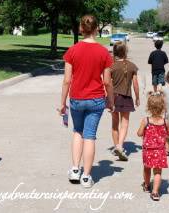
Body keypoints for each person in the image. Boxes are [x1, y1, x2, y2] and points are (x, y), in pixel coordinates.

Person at [59, 15, 114, 188]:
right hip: (96, 99)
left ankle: (75, 170)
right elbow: (107, 81)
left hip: (76, 98)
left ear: (81, 29)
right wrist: (110, 100)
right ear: (97, 29)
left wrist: (62, 103)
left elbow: (67, 80)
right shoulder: (104, 52)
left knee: (78, 132)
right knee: (90, 136)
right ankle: (86, 177)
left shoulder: (72, 51)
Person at [137, 91, 169, 201]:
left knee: (147, 168)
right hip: (160, 151)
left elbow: (139, 133)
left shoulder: (146, 120)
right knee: (157, 172)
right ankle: (155, 192)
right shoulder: (165, 121)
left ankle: (147, 186)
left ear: (149, 107)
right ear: (163, 107)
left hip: (148, 150)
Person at [110, 41, 140, 161]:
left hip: (114, 97)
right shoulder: (132, 66)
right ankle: (120, 146)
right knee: (125, 123)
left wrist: (107, 97)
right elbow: (135, 84)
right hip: (126, 97)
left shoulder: (111, 66)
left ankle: (117, 146)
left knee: (114, 123)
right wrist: (137, 97)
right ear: (125, 52)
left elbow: (107, 83)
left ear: (114, 52)